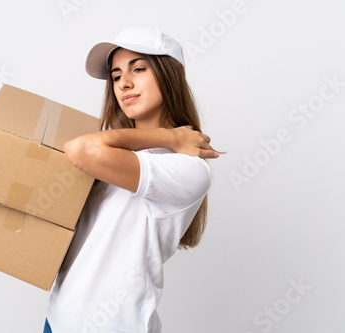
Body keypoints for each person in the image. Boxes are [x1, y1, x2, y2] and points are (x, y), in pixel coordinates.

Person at [44, 26, 219, 333]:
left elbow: (80, 149)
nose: (124, 83)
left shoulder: (188, 168)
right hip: (58, 321)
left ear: (173, 73)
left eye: (138, 68)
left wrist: (172, 139)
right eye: (115, 75)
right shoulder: (116, 154)